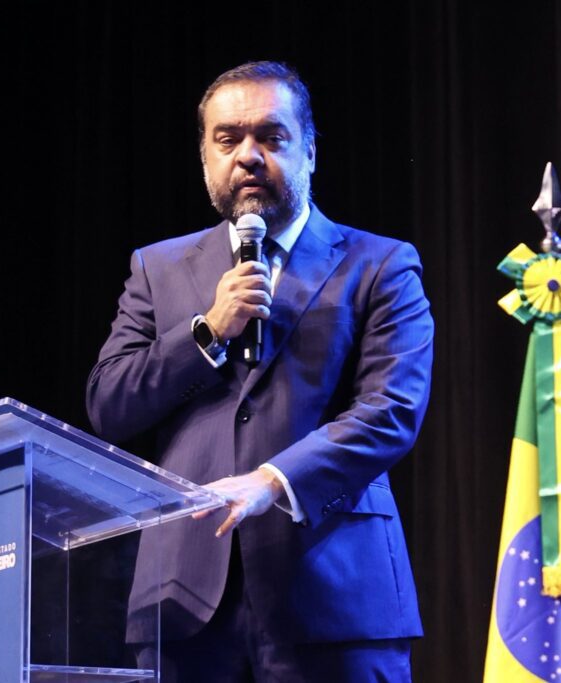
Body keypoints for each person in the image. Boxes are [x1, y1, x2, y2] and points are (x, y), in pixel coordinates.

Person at [86, 61, 432, 682]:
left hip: (334, 595)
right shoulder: (157, 269)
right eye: (228, 140)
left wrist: (273, 480)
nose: (248, 155)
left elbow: (391, 411)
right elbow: (110, 404)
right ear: (205, 158)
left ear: (309, 152)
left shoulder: (381, 264)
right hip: (183, 608)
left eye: (271, 137)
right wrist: (207, 331)